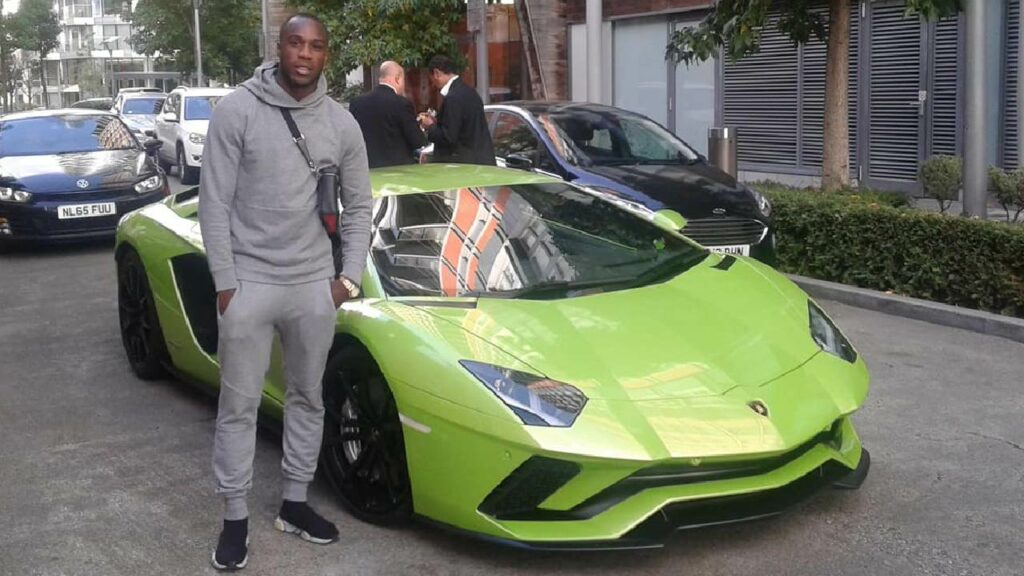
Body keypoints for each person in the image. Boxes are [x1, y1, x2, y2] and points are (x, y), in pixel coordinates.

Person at [198, 13, 372, 572]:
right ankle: (234, 518)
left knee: (307, 398)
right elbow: (214, 202)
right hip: (249, 282)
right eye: (296, 43)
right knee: (239, 405)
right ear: (280, 46)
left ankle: (294, 504)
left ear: (326, 55)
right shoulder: (237, 110)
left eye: (316, 46)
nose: (304, 54)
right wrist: (226, 284)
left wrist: (348, 278)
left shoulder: (342, 123)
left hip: (312, 286)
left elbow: (360, 206)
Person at [417, 55, 495, 165]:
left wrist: (430, 126)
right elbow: (461, 126)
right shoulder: (469, 92)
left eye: (432, 80)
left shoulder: (453, 98)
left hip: (462, 166)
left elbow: (448, 138)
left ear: (437, 73)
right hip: (479, 160)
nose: (433, 85)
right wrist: (436, 122)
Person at [349, 61, 427, 168]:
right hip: (398, 170)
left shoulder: (357, 103)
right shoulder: (402, 104)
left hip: (368, 168)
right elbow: (417, 141)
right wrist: (421, 127)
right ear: (397, 79)